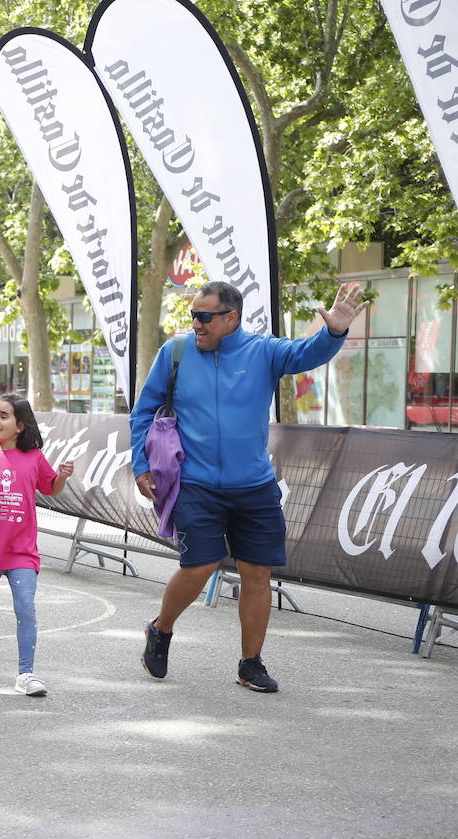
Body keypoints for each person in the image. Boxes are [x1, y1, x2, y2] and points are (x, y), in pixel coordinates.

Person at [131, 280, 363, 693]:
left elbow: (306, 353)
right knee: (199, 565)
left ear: (231, 317)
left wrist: (335, 332)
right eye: (193, 316)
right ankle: (161, 629)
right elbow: (144, 410)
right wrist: (141, 463)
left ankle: (250, 664)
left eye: (204, 317)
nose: (196, 324)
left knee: (257, 573)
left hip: (254, 485)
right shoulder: (176, 352)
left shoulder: (262, 351)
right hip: (196, 484)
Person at [0, 394, 73, 695]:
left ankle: (26, 673)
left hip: (22, 549)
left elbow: (50, 488)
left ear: (20, 425)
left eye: (4, 416)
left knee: (25, 607)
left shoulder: (34, 457)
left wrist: (62, 477)